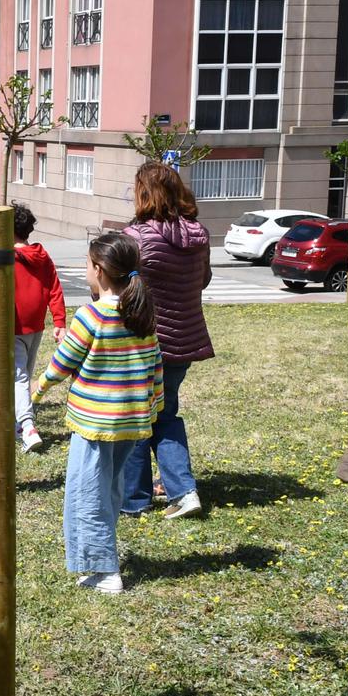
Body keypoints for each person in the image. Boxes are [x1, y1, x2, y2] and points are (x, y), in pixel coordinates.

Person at [34, 232, 163, 595]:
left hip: (95, 422)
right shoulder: (140, 311)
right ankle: (99, 561)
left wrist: (40, 387)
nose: (86, 270)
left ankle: (104, 569)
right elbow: (156, 365)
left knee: (87, 493)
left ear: (101, 271)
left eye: (88, 265)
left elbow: (64, 361)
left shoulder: (92, 314)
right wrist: (155, 404)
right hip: (131, 421)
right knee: (108, 488)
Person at [122, 165, 213, 518]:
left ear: (143, 192)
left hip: (144, 342)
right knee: (165, 414)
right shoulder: (199, 234)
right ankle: (183, 491)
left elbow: (121, 291)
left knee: (137, 418)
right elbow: (203, 279)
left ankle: (134, 500)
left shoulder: (136, 237)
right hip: (184, 340)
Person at [11, 204, 68, 451]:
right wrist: (59, 322)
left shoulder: (4, 257)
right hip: (36, 327)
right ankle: (18, 425)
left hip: (12, 327)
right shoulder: (42, 256)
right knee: (23, 377)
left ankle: (27, 426)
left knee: (19, 378)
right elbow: (55, 287)